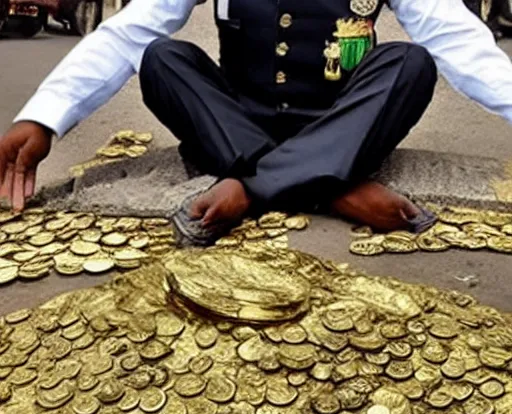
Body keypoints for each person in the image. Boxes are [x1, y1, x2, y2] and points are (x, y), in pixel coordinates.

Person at [0, 0, 511, 244]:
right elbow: (130, 31)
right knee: (162, 59)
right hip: (238, 123)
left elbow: (456, 38)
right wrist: (44, 116)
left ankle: (254, 186)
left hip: (342, 124)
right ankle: (330, 189)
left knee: (409, 62)